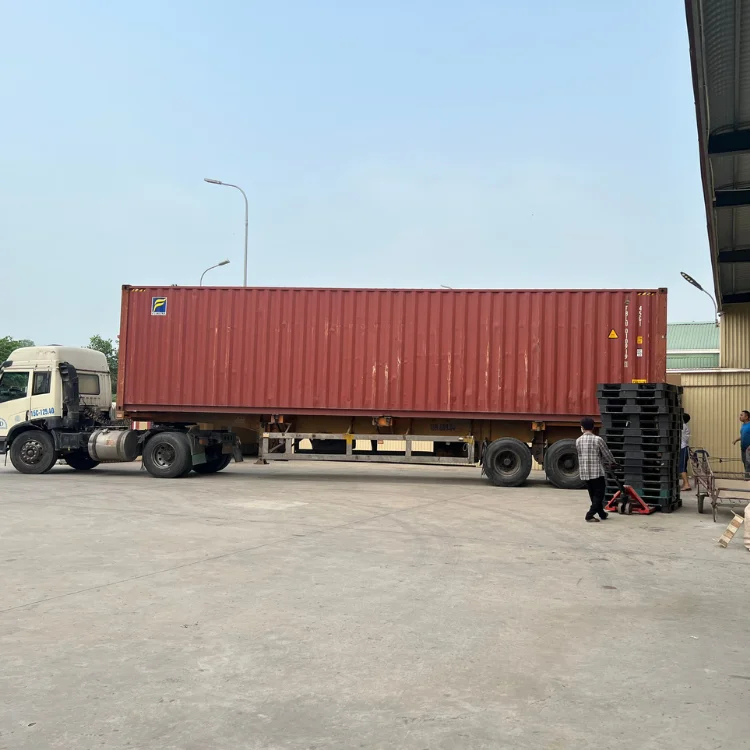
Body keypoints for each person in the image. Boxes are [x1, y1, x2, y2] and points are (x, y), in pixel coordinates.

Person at [576, 416, 617, 522]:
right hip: (597, 472)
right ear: (593, 427)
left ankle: (602, 514)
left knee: (593, 494)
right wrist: (613, 462)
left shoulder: (578, 440)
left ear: (582, 427)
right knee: (599, 494)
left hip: (585, 472)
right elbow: (606, 453)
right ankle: (589, 515)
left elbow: (579, 455)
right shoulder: (598, 439)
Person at [733, 410, 750, 479]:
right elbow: (743, 435)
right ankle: (747, 479)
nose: (740, 417)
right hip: (743, 449)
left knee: (748, 464)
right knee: (745, 463)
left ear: (746, 417)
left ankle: (747, 479)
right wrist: (736, 440)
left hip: (748, 449)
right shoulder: (743, 425)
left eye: (741, 415)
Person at [680, 413, 691, 492]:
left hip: (683, 448)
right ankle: (684, 484)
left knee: (682, 467)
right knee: (684, 466)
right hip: (684, 448)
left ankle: (687, 484)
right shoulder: (686, 426)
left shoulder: (683, 426)